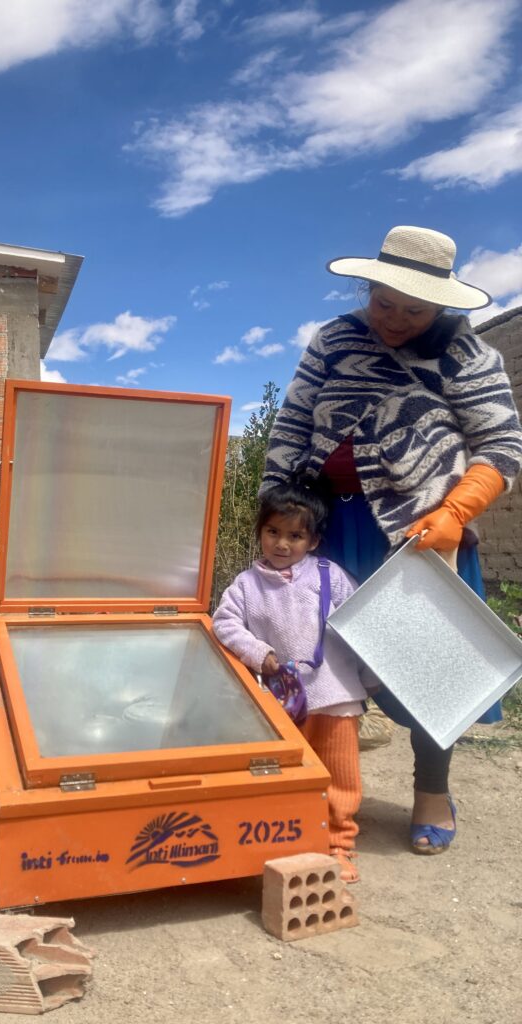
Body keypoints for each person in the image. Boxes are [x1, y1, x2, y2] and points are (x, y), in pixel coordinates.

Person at [260, 224, 522, 855]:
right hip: (326, 525)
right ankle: (320, 790)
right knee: (315, 656)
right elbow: (293, 423)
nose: (395, 319)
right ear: (368, 289)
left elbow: (502, 445)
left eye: (414, 310)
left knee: (430, 666)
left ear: (439, 307)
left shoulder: (465, 353)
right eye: (385, 303)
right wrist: (274, 505)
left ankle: (432, 792)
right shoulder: (334, 339)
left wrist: (458, 509)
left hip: (420, 534)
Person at [213, 481, 371, 882]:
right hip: (281, 702)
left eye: (295, 536)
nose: (282, 544)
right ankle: (285, 840)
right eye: (273, 532)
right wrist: (258, 653)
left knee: (339, 775)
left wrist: (370, 680)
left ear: (313, 541)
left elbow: (361, 622)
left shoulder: (329, 576)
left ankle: (337, 844)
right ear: (260, 532)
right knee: (285, 773)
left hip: (335, 695)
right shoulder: (246, 585)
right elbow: (224, 623)